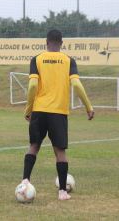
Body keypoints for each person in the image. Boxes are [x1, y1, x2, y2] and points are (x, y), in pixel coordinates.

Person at [21, 29, 95, 201]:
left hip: (39, 109)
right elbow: (76, 85)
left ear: (46, 41)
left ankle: (25, 182)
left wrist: (28, 109)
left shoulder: (36, 59)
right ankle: (62, 192)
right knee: (59, 151)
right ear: (62, 43)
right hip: (58, 112)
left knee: (34, 145)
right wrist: (88, 107)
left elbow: (32, 86)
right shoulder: (69, 61)